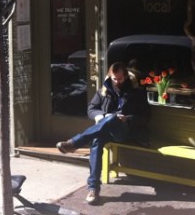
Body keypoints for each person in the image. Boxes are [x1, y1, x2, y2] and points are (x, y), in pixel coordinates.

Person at [56, 61, 151, 204]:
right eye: (114, 79)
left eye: (120, 79)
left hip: (127, 132)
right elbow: (91, 109)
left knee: (112, 119)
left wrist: (127, 118)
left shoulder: (136, 92)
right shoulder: (104, 90)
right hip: (106, 131)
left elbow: (146, 118)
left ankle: (76, 142)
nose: (117, 82)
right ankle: (93, 189)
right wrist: (102, 116)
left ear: (125, 76)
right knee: (97, 140)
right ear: (109, 76)